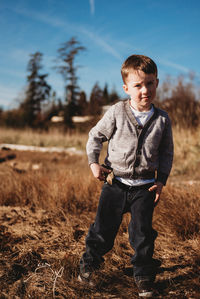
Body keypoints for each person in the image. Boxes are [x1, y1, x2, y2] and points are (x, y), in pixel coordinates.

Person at [78, 54, 174, 297]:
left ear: (157, 83)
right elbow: (95, 136)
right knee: (102, 229)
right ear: (127, 88)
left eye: (150, 83)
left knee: (142, 235)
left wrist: (160, 180)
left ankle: (143, 275)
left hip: (145, 187)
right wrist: (94, 163)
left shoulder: (162, 119)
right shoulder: (117, 111)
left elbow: (166, 152)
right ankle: (89, 266)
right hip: (116, 183)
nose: (145, 90)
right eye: (138, 85)